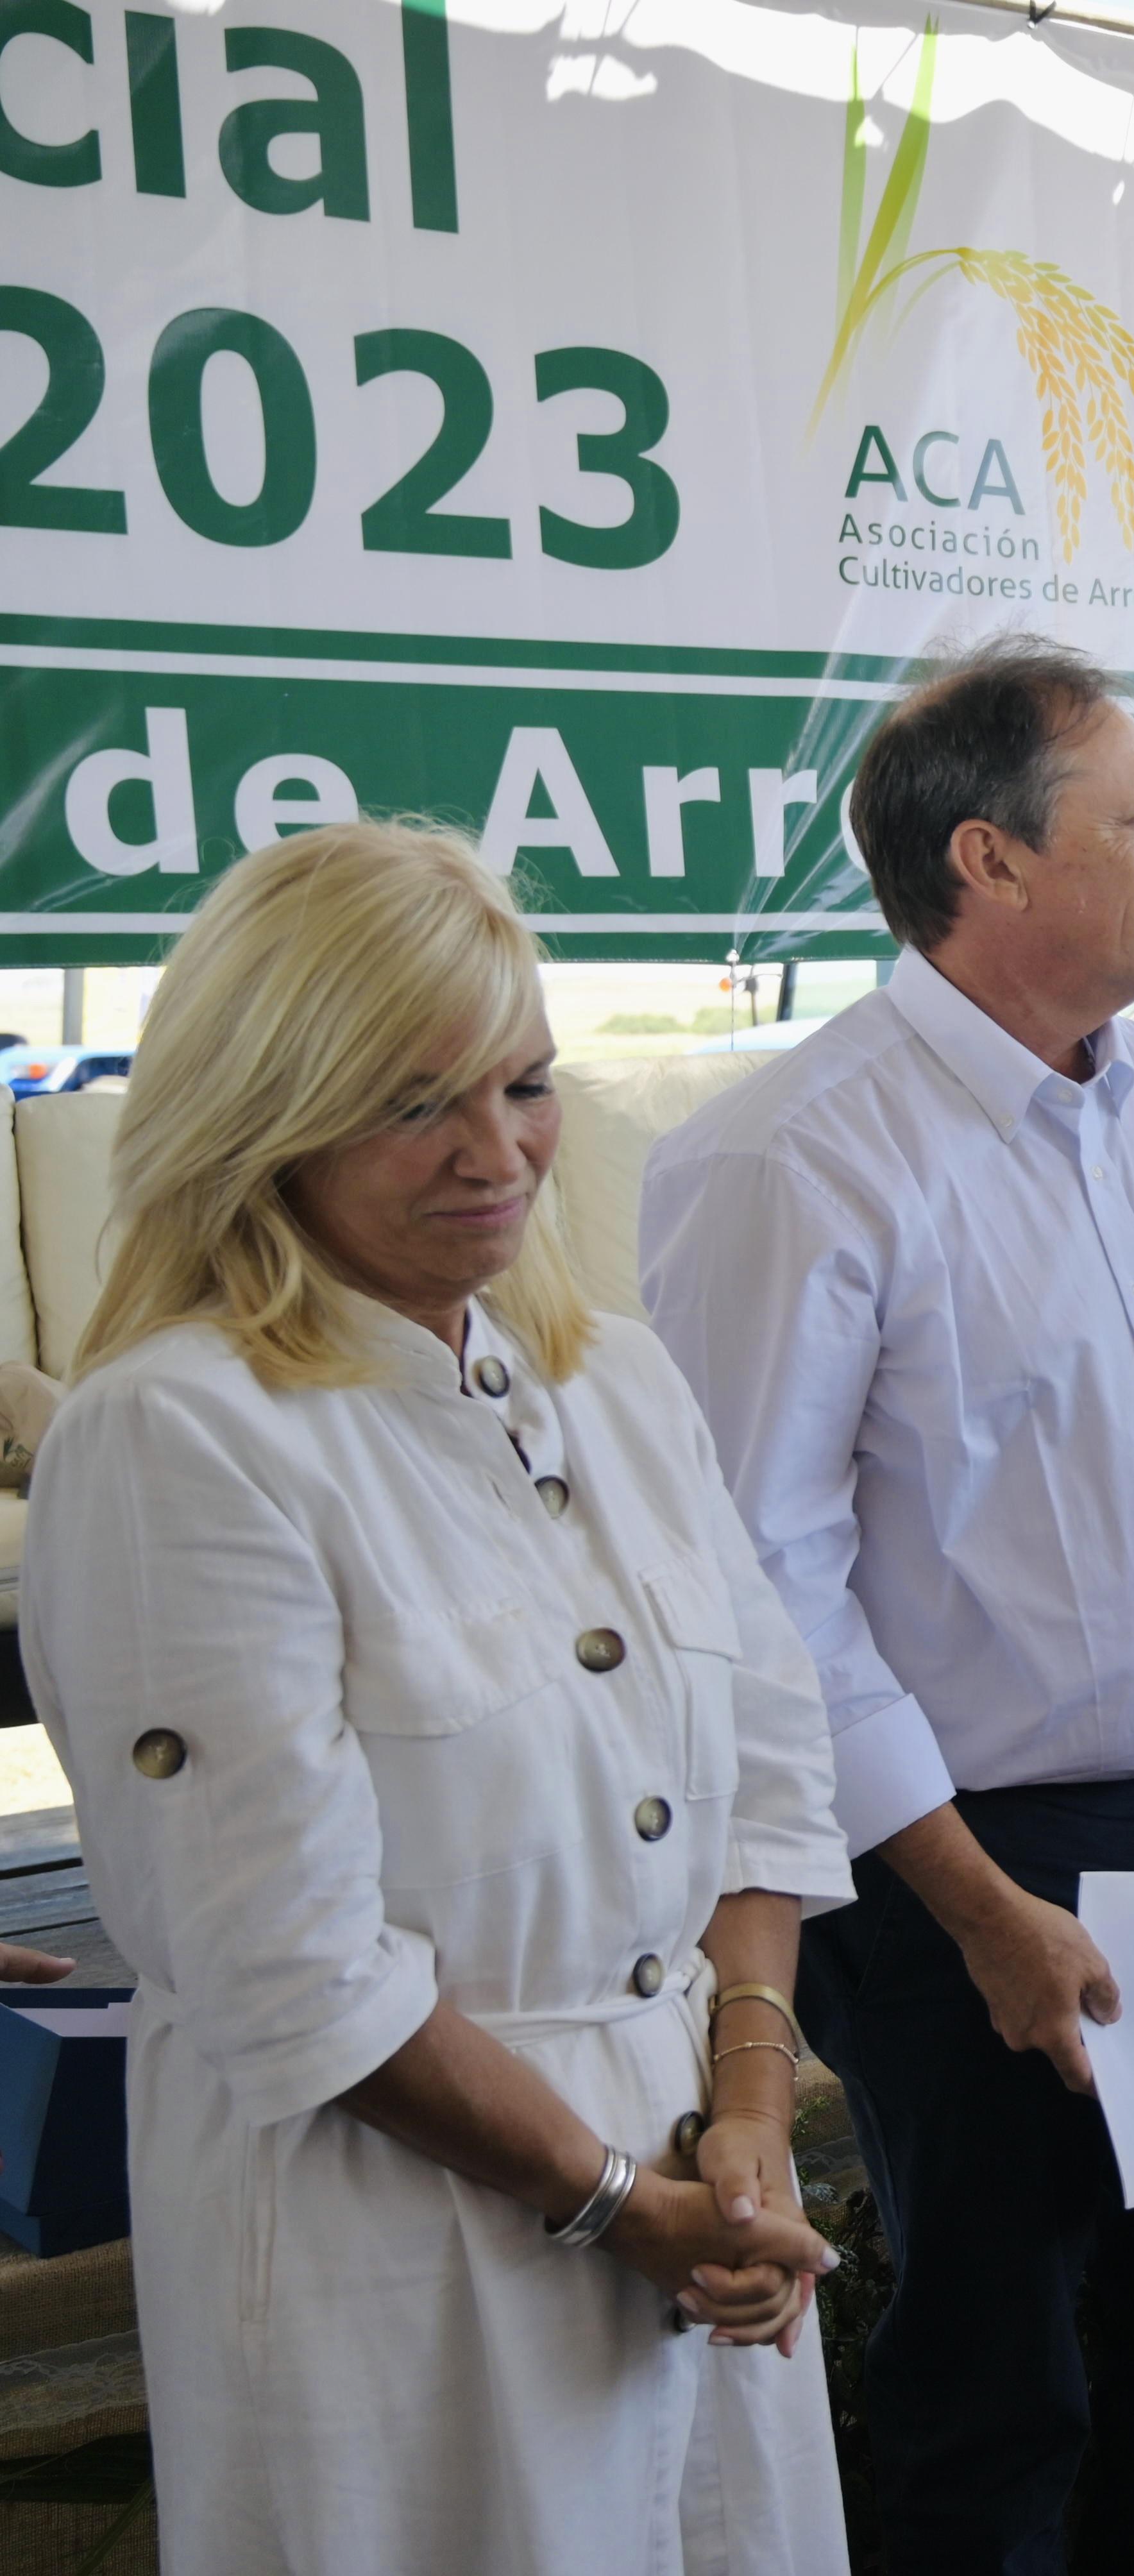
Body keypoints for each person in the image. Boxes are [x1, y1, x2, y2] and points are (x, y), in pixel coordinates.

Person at [643, 636, 1134, 2569]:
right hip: (965, 1865)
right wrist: (974, 1902)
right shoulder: (790, 1157)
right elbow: (758, 1586)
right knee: (1002, 2372)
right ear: (988, 862)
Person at [24, 824, 851, 2573]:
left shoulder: (612, 1379)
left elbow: (770, 1769)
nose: (500, 1154)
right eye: (416, 1105)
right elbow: (289, 1960)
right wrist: (622, 2200)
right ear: (269, 1119)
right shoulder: (178, 1432)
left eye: (527, 1085)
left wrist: (751, 2117)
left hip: (697, 2182)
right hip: (392, 2234)